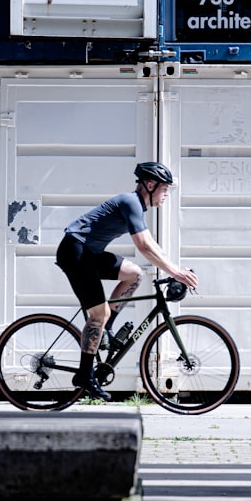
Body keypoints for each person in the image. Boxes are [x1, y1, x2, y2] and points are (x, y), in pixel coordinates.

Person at [56, 162, 198, 401]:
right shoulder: (130, 202)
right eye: (164, 189)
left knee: (134, 274)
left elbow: (152, 245)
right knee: (97, 315)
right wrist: (175, 273)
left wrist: (175, 269)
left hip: (89, 253)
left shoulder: (136, 207)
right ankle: (84, 375)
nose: (166, 195)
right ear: (150, 185)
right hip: (75, 251)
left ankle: (106, 328)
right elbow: (143, 246)